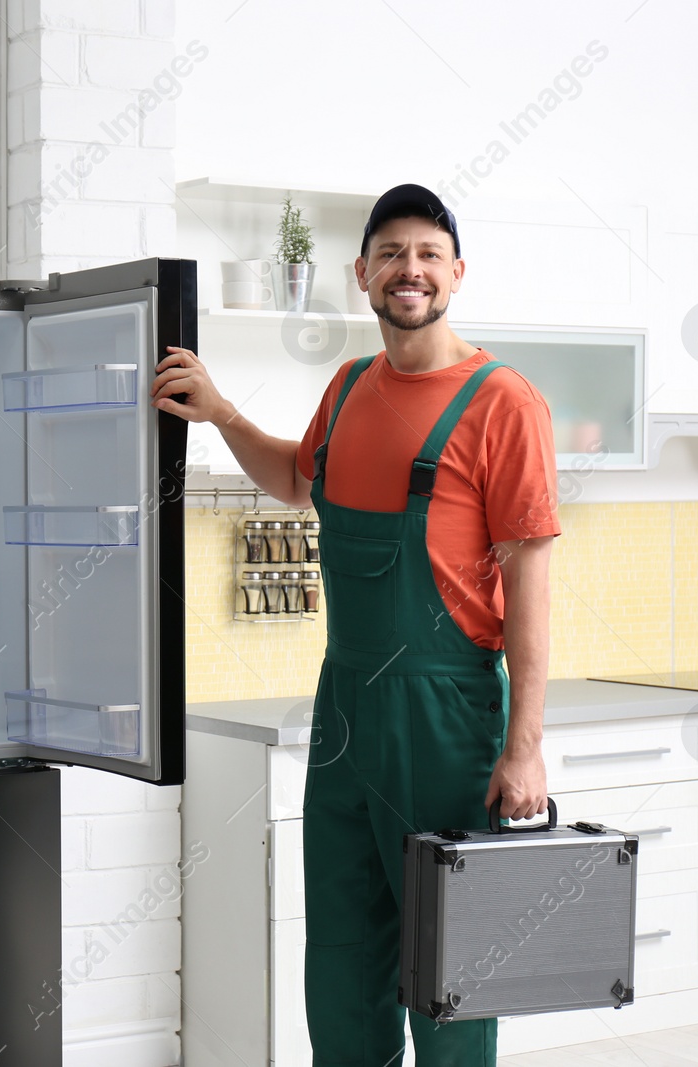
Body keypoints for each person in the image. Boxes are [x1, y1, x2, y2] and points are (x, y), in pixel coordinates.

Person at [151, 183, 559, 1066]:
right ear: (361, 273)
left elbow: (532, 577)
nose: (408, 270)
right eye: (391, 255)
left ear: (455, 272)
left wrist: (523, 744)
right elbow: (297, 483)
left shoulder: (502, 402)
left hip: (447, 719)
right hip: (345, 711)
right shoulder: (346, 389)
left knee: (449, 969)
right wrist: (221, 412)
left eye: (426, 254)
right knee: (342, 955)